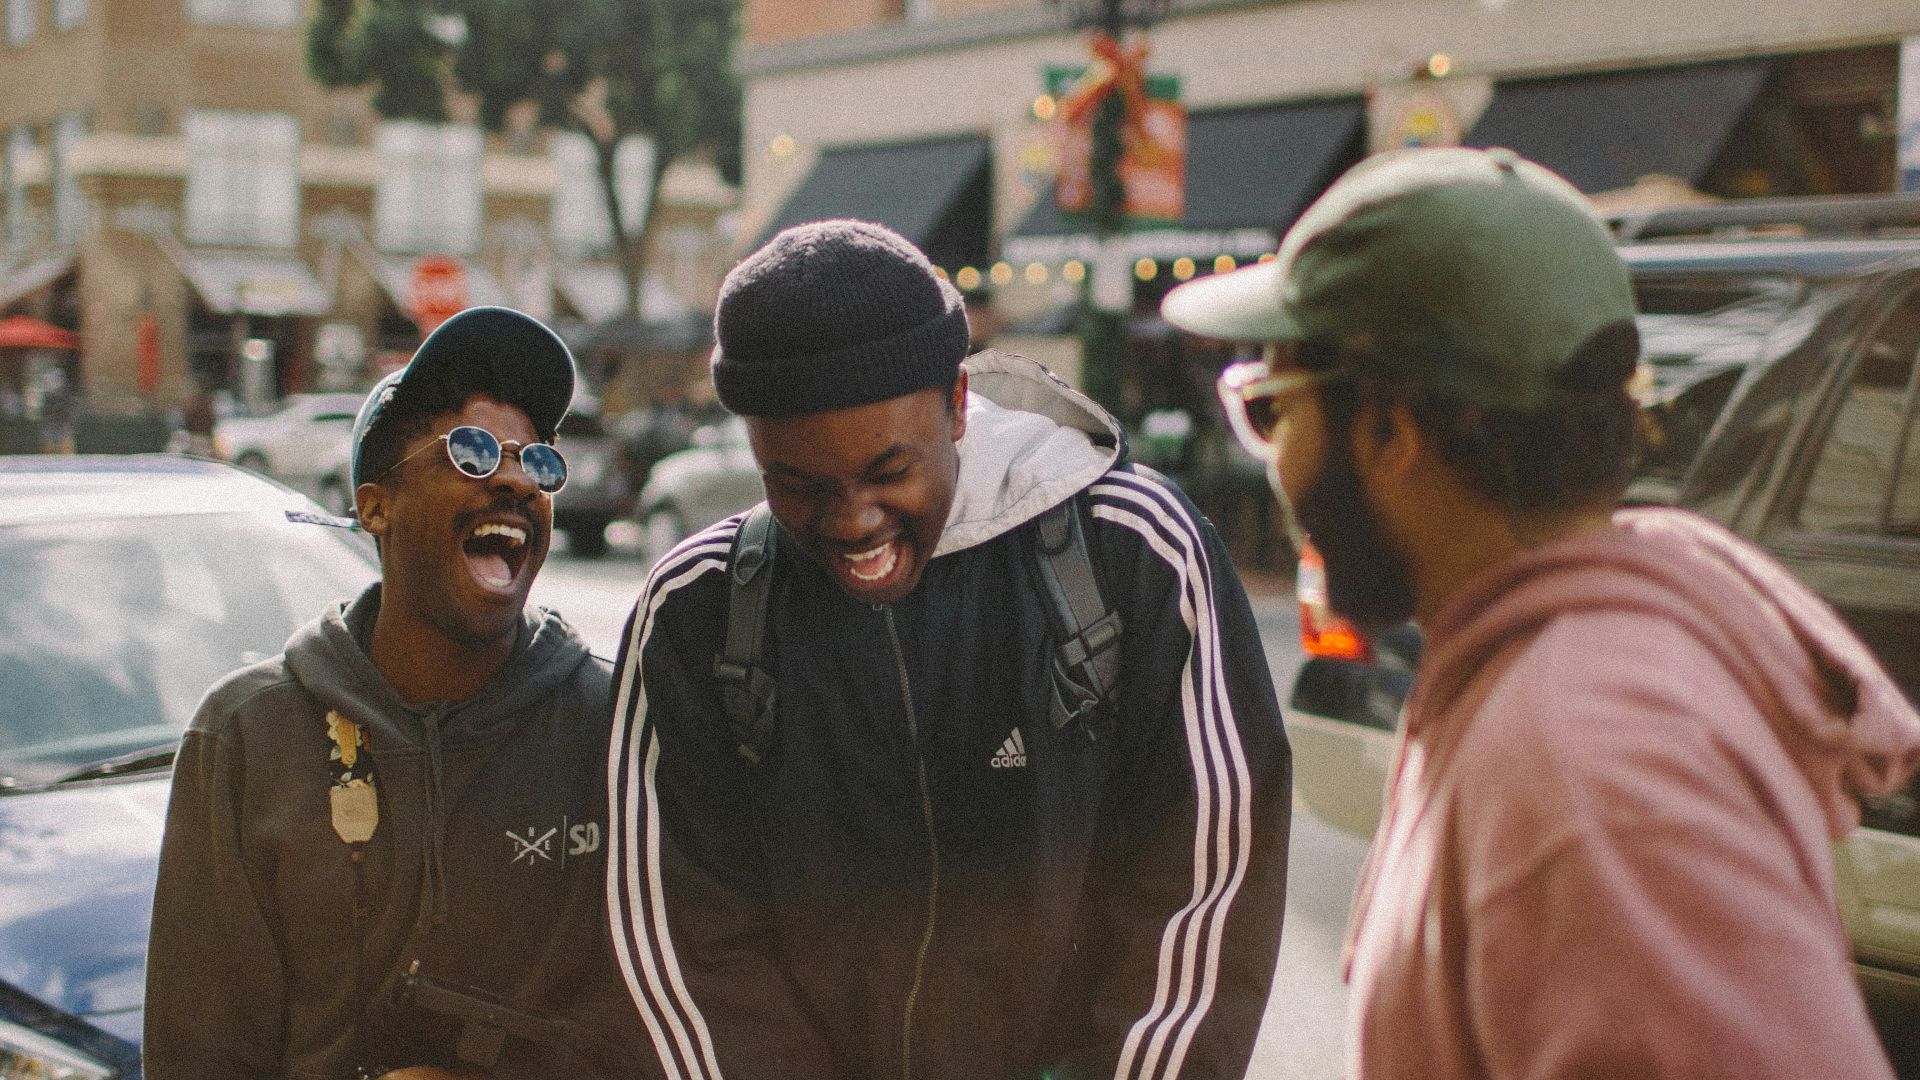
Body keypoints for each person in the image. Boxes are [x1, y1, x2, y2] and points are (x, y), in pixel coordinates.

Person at [1161, 145, 1920, 1079]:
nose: (1270, 462)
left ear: (1393, 429)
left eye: (1274, 409)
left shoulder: (1584, 758)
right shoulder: (1575, 685)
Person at [607, 219, 1291, 1079]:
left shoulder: (1134, 549)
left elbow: (1206, 891)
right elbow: (681, 945)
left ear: (960, 403)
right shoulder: (694, 611)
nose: (854, 521)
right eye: (800, 485)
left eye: (889, 472)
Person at [146, 307, 623, 1079]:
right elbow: (199, 1055)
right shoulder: (246, 737)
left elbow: (664, 1024)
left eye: (537, 462)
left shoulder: (610, 724)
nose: (512, 478)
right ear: (374, 506)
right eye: (470, 452)